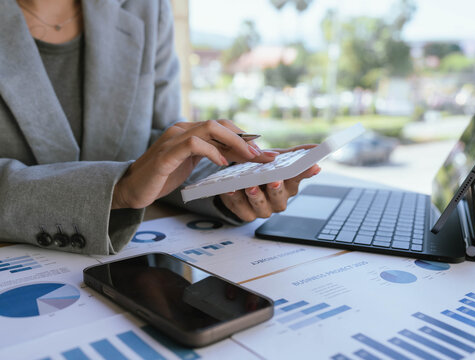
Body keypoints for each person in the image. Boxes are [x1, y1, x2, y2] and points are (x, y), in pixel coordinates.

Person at [0, 0, 320, 255]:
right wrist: (117, 190)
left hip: (138, 258)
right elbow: (138, 172)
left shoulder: (147, 7)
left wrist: (227, 185)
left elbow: (162, 146)